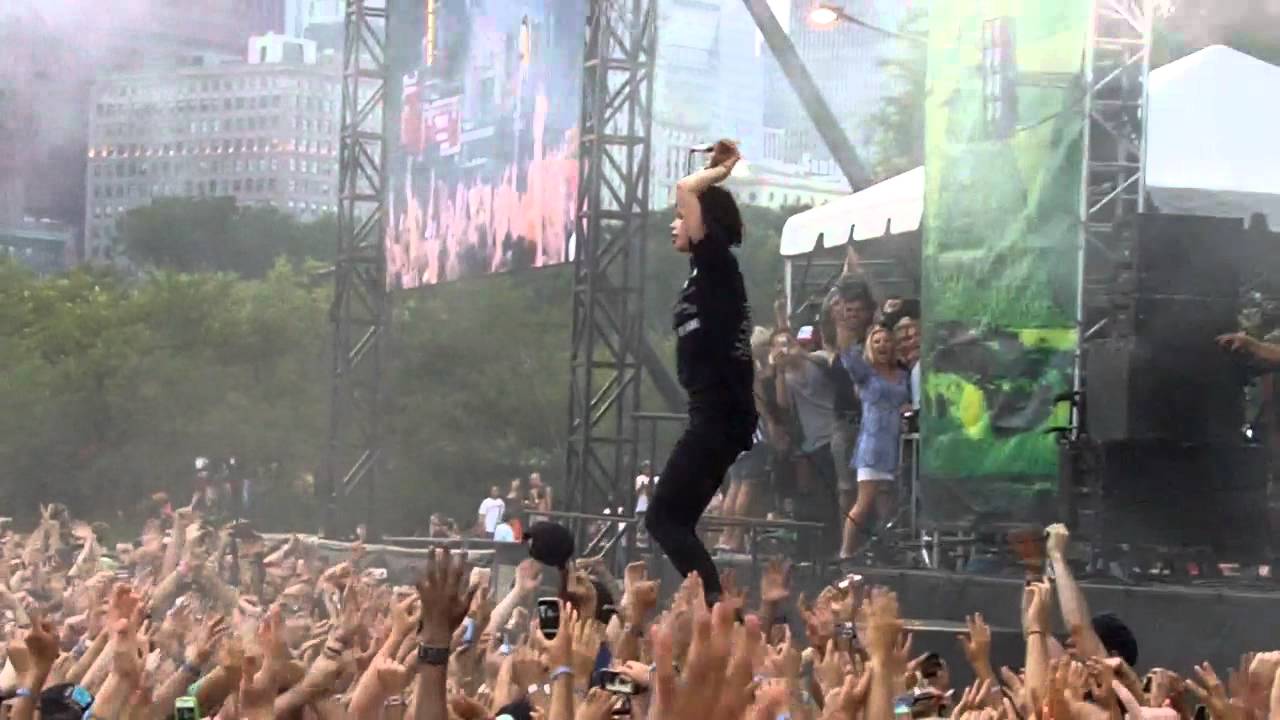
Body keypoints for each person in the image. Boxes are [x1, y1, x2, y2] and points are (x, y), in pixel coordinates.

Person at [644, 139, 755, 606]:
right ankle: (713, 605)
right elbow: (690, 198)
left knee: (663, 517)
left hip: (720, 416)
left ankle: (715, 608)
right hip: (713, 415)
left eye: (681, 216)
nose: (675, 223)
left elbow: (686, 189)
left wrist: (720, 170)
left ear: (702, 225)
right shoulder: (704, 272)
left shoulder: (718, 265)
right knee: (673, 518)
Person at [839, 323, 912, 561]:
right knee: (863, 502)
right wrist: (843, 328)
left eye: (886, 340)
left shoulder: (903, 375)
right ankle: (846, 551)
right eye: (877, 341)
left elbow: (909, 399)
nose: (882, 345)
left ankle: (883, 551)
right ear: (870, 346)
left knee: (887, 505)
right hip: (873, 443)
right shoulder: (866, 374)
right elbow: (848, 357)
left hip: (893, 442)